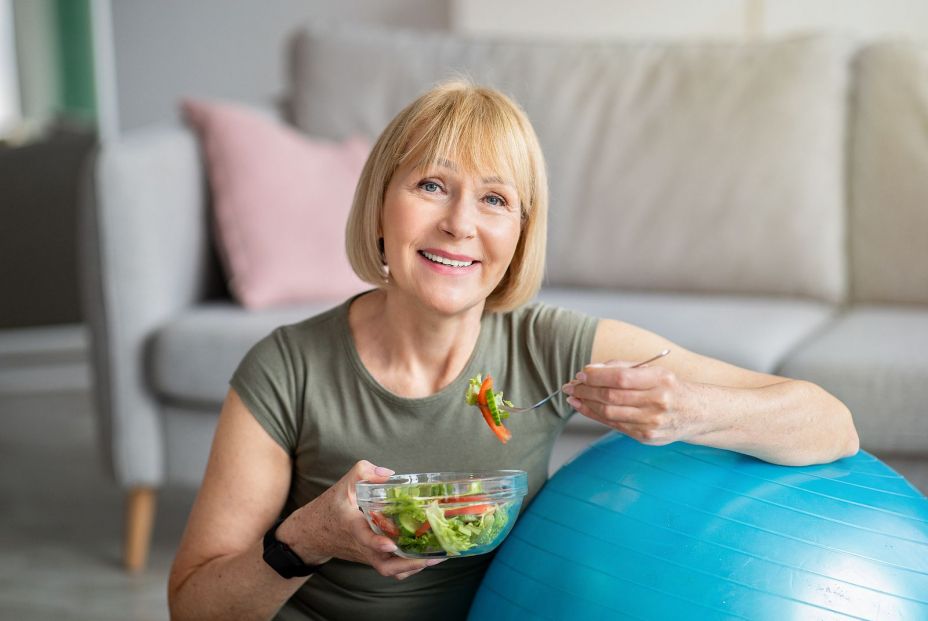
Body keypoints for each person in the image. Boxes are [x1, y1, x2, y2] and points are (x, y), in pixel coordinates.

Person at [167, 80, 859, 620]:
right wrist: (310, 537)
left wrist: (689, 411)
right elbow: (193, 607)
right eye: (431, 185)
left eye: (495, 200)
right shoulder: (285, 368)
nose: (459, 223)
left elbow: (831, 423)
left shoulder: (548, 347)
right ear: (380, 206)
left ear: (521, 234)